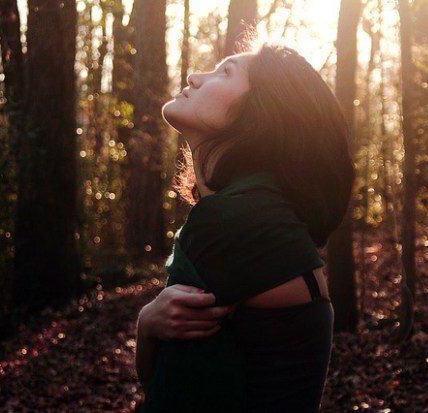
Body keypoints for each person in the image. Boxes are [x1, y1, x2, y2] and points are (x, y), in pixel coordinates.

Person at [135, 43, 354, 413]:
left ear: (260, 114)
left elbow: (168, 398)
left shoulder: (236, 221)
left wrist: (146, 329)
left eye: (225, 72)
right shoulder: (259, 214)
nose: (194, 77)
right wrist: (147, 324)